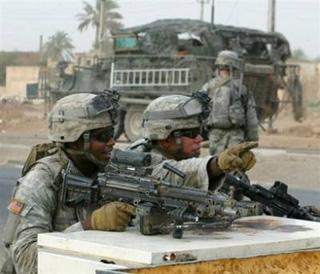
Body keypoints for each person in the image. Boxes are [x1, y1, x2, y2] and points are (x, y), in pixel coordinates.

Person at [1, 92, 135, 274]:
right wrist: (88, 226)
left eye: (111, 133)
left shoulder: (108, 170)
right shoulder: (41, 181)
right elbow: (26, 261)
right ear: (76, 140)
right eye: (102, 136)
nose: (112, 142)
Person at [128, 92, 257, 191]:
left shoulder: (174, 156)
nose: (200, 139)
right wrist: (218, 165)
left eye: (200, 132)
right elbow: (175, 175)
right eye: (192, 134)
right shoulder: (141, 161)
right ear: (166, 139)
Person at [201, 50, 259, 155]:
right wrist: (252, 138)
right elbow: (251, 116)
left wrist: (201, 135)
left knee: (216, 166)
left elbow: (200, 111)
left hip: (214, 134)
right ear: (235, 66)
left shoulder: (207, 87)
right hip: (236, 135)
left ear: (218, 66)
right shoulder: (242, 88)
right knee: (234, 165)